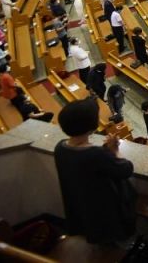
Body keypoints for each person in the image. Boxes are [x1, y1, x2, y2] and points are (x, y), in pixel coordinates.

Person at [53, 98, 136, 245]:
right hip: (104, 210)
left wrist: (106, 152)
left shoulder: (60, 147)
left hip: (81, 207)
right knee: (113, 245)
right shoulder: (95, 154)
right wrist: (114, 150)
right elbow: (125, 169)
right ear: (91, 125)